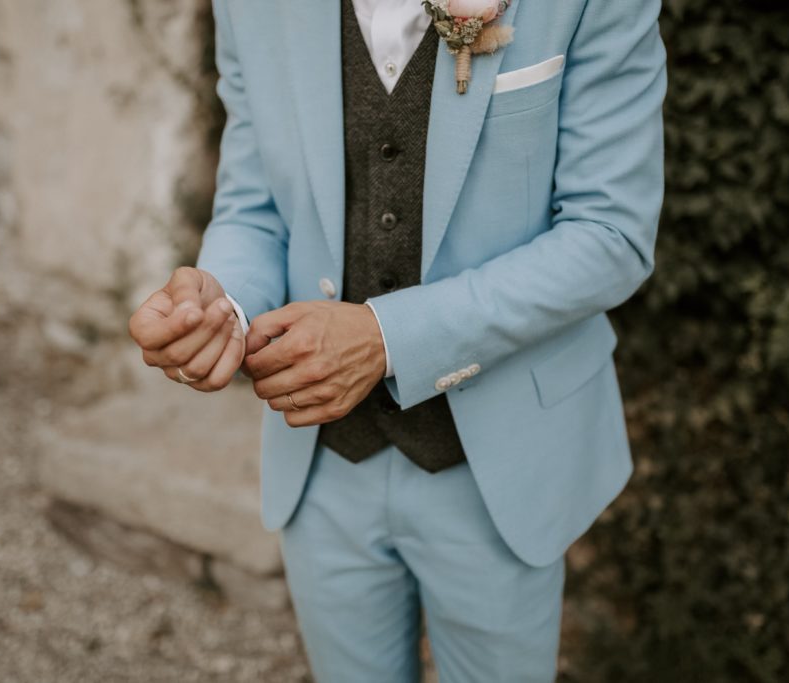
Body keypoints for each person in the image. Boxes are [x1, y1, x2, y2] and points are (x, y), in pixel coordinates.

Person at [129, 0, 666, 680]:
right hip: (321, 462)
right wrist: (221, 308)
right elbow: (256, 205)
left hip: (498, 463)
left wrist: (388, 338)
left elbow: (609, 234)